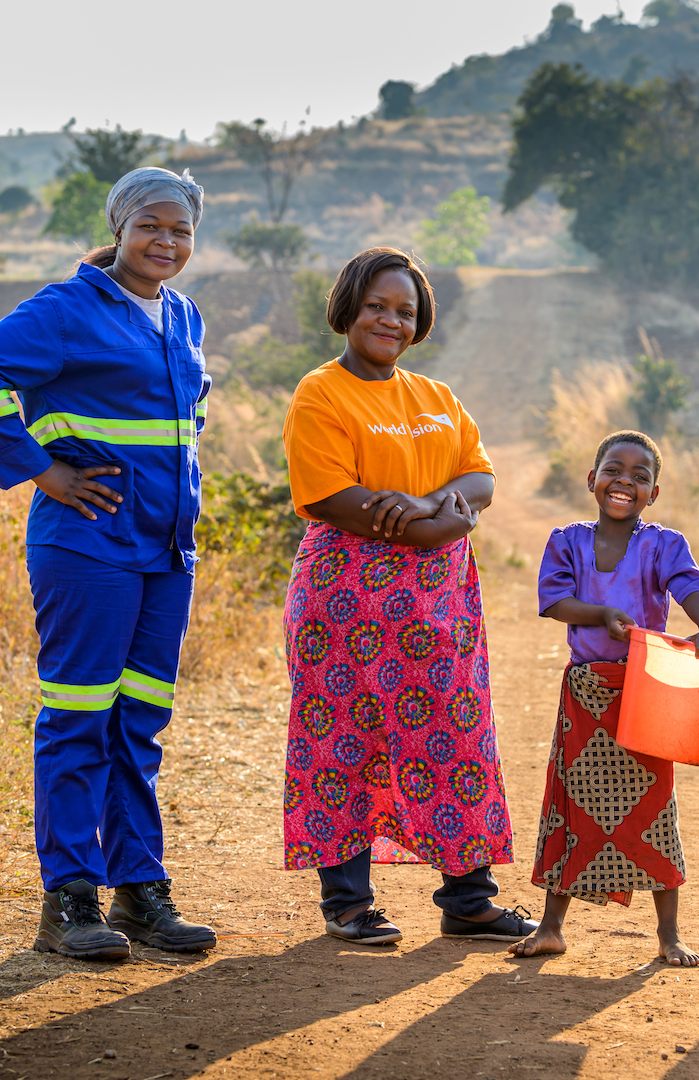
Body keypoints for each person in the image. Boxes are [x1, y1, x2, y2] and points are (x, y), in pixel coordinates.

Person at [0, 167, 218, 960]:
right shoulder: (69, 307)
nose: (166, 242)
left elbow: (187, 416)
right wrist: (41, 469)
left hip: (166, 552)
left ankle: (140, 891)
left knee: (139, 722)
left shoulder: (184, 316)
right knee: (79, 718)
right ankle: (68, 902)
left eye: (181, 230)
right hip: (88, 546)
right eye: (151, 226)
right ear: (121, 227)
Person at [281, 247, 537, 946]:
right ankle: (347, 904)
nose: (390, 321)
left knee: (455, 739)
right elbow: (335, 497)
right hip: (344, 604)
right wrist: (438, 522)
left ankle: (469, 900)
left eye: (405, 311)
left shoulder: (435, 397)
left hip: (440, 607)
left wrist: (427, 506)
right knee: (342, 743)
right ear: (347, 309)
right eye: (376, 307)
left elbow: (478, 478)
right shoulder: (320, 392)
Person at [509, 430, 699, 967]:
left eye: (640, 476)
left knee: (654, 809)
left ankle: (668, 935)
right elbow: (555, 601)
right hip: (586, 691)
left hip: (645, 691)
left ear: (654, 493)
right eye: (614, 469)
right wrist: (601, 615)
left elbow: (687, 584)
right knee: (570, 807)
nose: (625, 480)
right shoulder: (567, 541)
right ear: (591, 479)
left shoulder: (663, 544)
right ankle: (551, 927)